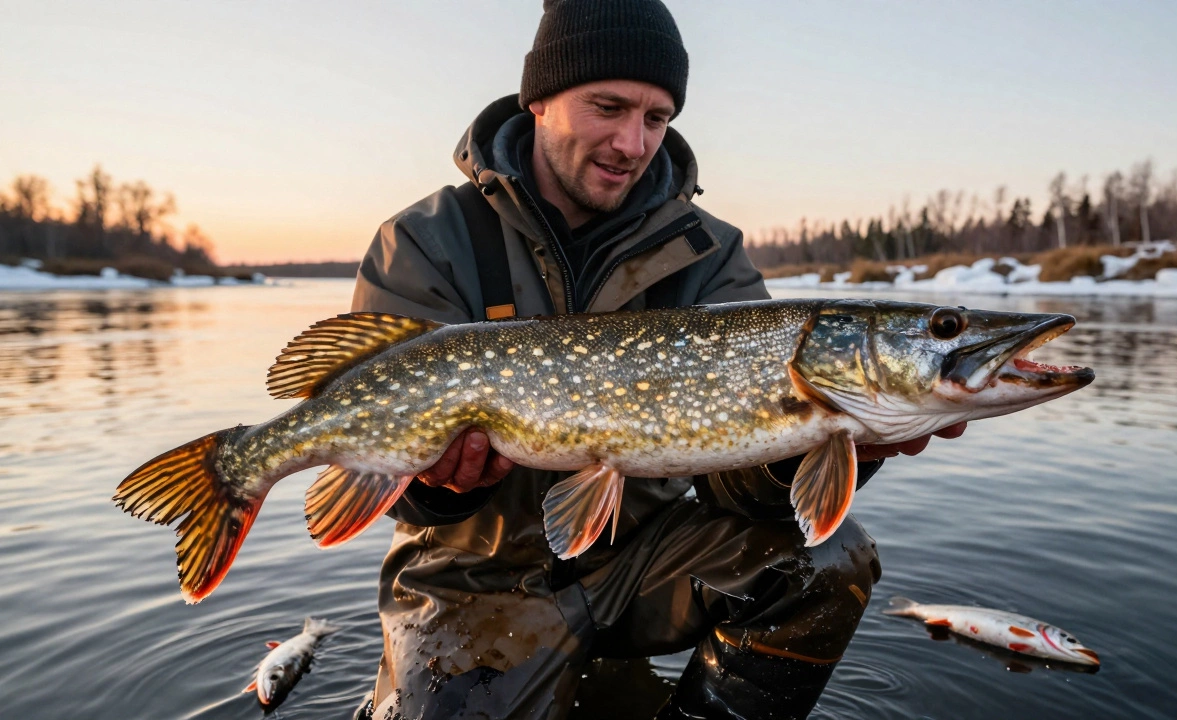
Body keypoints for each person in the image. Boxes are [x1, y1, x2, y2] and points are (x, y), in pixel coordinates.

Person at [350, 2, 964, 718]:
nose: (631, 143)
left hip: (641, 562)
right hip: (471, 578)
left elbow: (746, 492)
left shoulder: (709, 254)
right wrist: (442, 486)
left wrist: (844, 431)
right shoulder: (428, 240)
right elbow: (388, 450)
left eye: (656, 118)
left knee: (827, 560)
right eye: (607, 107)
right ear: (539, 100)